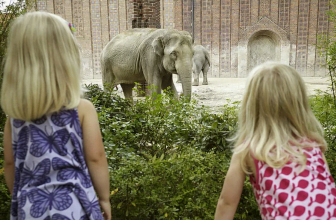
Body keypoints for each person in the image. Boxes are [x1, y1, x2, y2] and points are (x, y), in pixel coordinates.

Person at [1, 12, 111, 220]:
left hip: (31, 207)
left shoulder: (14, 117)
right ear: (67, 58)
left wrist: (23, 197)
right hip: (75, 205)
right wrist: (104, 198)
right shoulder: (82, 109)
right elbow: (96, 158)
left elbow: (9, 165)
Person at [214, 62, 336, 219]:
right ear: (299, 104)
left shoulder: (250, 150)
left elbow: (227, 203)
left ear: (251, 105)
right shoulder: (313, 145)